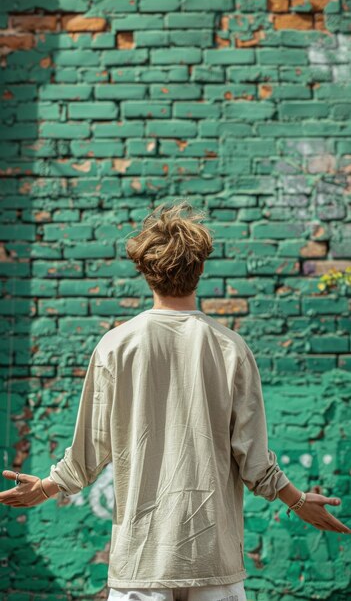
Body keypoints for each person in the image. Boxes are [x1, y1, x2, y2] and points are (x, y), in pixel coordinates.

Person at [1, 200, 350, 601]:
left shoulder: (116, 346)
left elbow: (86, 453)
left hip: (140, 562)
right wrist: (299, 501)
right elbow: (254, 462)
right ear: (200, 270)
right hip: (212, 561)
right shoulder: (231, 348)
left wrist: (44, 487)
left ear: (145, 271)